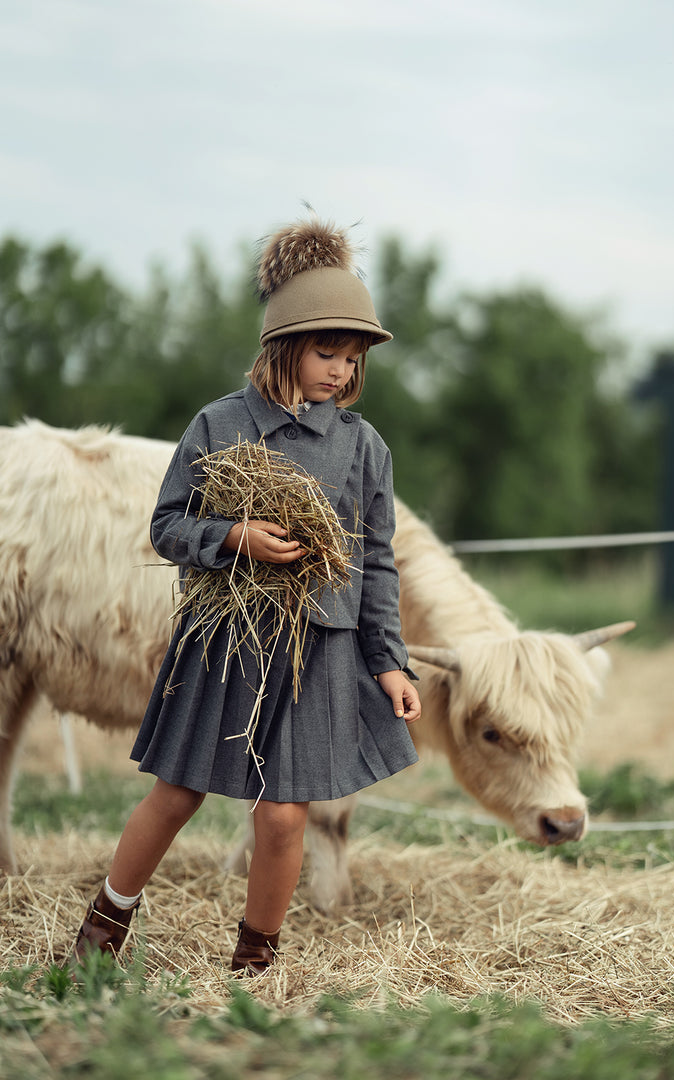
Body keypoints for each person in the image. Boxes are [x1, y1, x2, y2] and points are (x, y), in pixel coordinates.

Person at [71, 216, 421, 976]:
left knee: (285, 815)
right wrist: (233, 537)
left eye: (352, 358)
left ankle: (254, 960)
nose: (340, 370)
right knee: (176, 796)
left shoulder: (364, 448)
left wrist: (388, 661)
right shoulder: (220, 426)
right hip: (224, 643)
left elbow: (376, 562)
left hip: (318, 653)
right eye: (327, 352)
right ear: (284, 344)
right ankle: (104, 925)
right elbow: (167, 527)